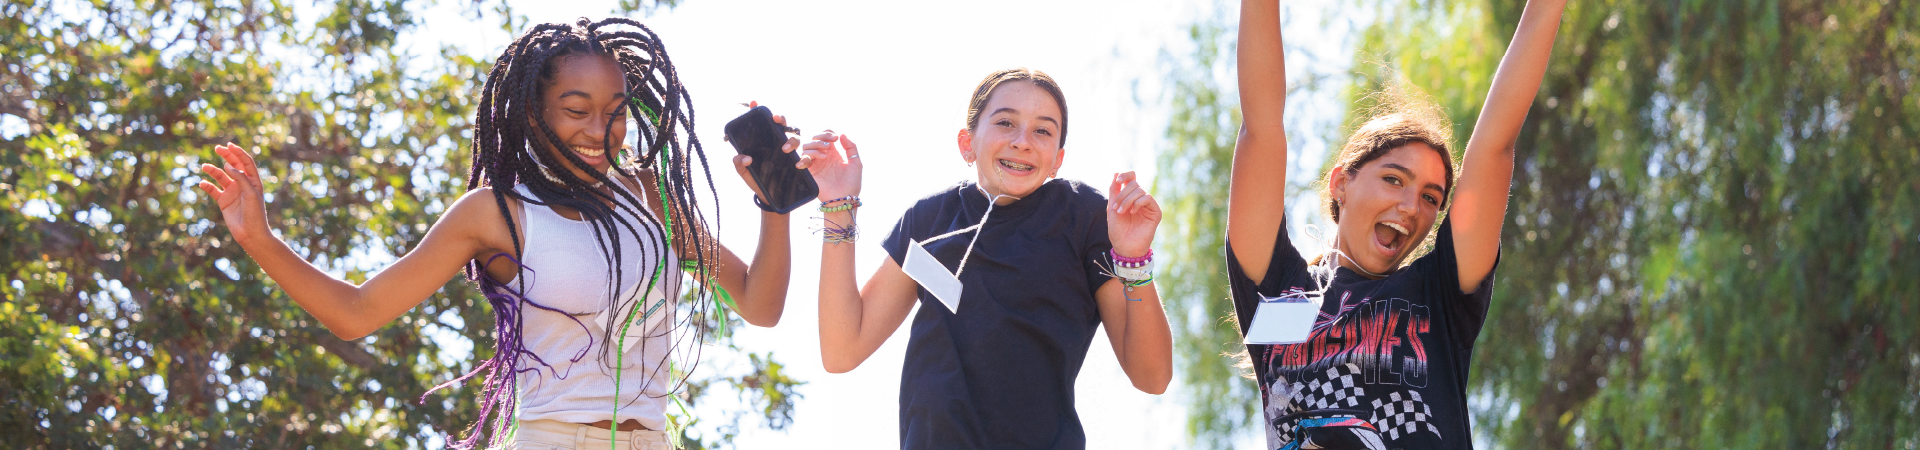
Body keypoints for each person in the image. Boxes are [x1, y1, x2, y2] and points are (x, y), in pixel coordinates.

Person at [194, 18, 796, 450]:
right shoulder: (495, 214)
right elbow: (356, 313)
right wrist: (259, 239)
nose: (600, 128)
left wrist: (774, 205)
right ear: (536, 114)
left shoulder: (652, 202)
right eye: (577, 108)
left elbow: (760, 305)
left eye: (615, 110)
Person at [1225, 0, 1566, 448]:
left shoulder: (1437, 294)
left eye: (1431, 197)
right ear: (1341, 182)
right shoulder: (1282, 299)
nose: (1411, 206)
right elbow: (1261, 129)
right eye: (1393, 179)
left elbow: (1495, 145)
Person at [798, 68, 1173, 449]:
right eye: (1006, 122)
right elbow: (842, 350)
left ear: (1058, 158)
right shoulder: (929, 219)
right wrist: (837, 205)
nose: (1023, 141)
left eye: (1043, 130)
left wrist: (1134, 258)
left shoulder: (1083, 215)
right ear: (967, 143)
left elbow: (1152, 376)